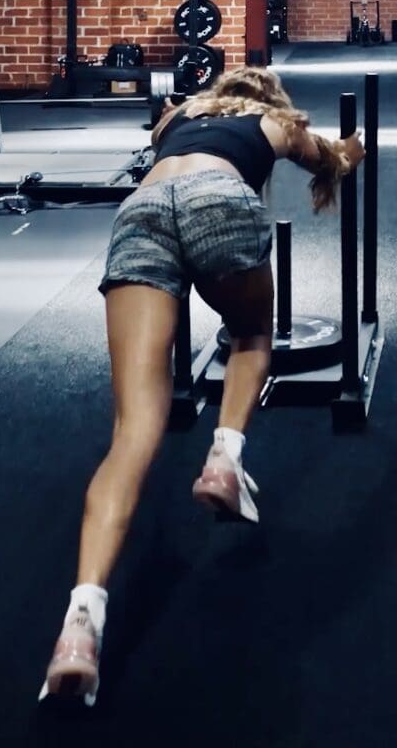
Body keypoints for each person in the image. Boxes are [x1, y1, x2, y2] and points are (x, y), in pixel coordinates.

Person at [38, 66, 365, 707]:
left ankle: (80, 626)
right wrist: (355, 148)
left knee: (133, 431)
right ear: (267, 99)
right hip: (221, 201)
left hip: (140, 214)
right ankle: (225, 457)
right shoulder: (276, 122)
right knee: (250, 338)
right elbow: (334, 159)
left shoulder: (175, 121)